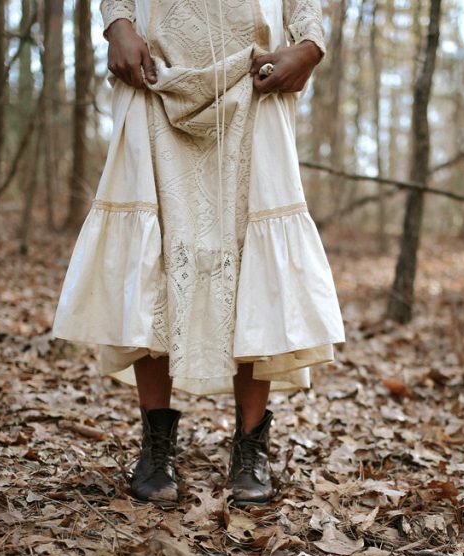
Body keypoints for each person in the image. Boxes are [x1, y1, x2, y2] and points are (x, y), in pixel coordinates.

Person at [52, 0, 345, 506]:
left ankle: (251, 445)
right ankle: (156, 445)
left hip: (255, 82)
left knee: (253, 253)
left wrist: (309, 46)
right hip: (154, 77)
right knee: (158, 250)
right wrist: (117, 23)